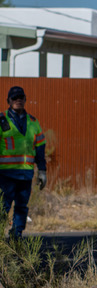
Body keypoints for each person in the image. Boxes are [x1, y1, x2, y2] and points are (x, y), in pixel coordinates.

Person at [0, 86, 47, 239]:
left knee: (21, 208)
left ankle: (16, 236)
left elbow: (40, 147)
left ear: (25, 100)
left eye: (21, 97)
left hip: (25, 175)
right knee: (3, 207)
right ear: (8, 101)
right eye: (14, 98)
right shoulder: (1, 120)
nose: (18, 100)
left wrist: (42, 170)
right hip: (5, 175)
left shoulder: (33, 122)